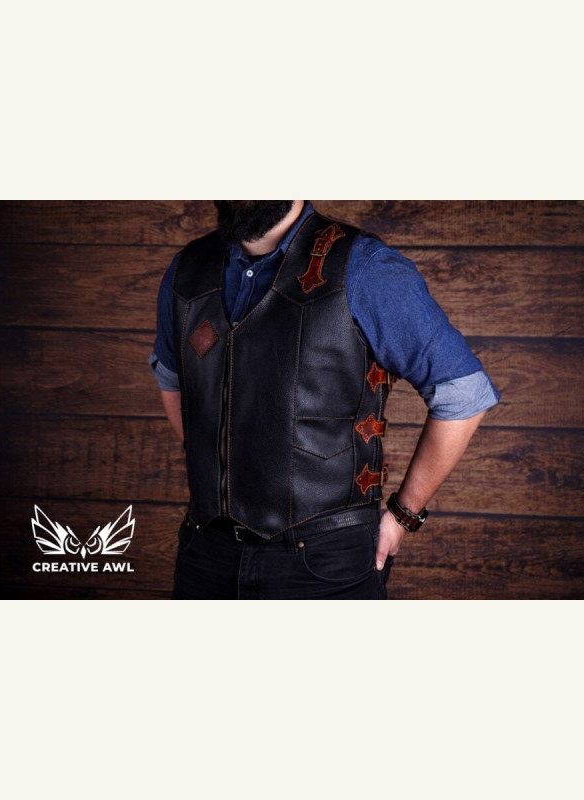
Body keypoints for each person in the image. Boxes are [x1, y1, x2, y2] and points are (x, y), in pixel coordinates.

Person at [148, 201, 500, 600]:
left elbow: (463, 394)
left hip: (325, 562)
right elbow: (173, 378)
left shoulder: (364, 266)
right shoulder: (188, 268)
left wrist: (404, 515)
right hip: (205, 554)